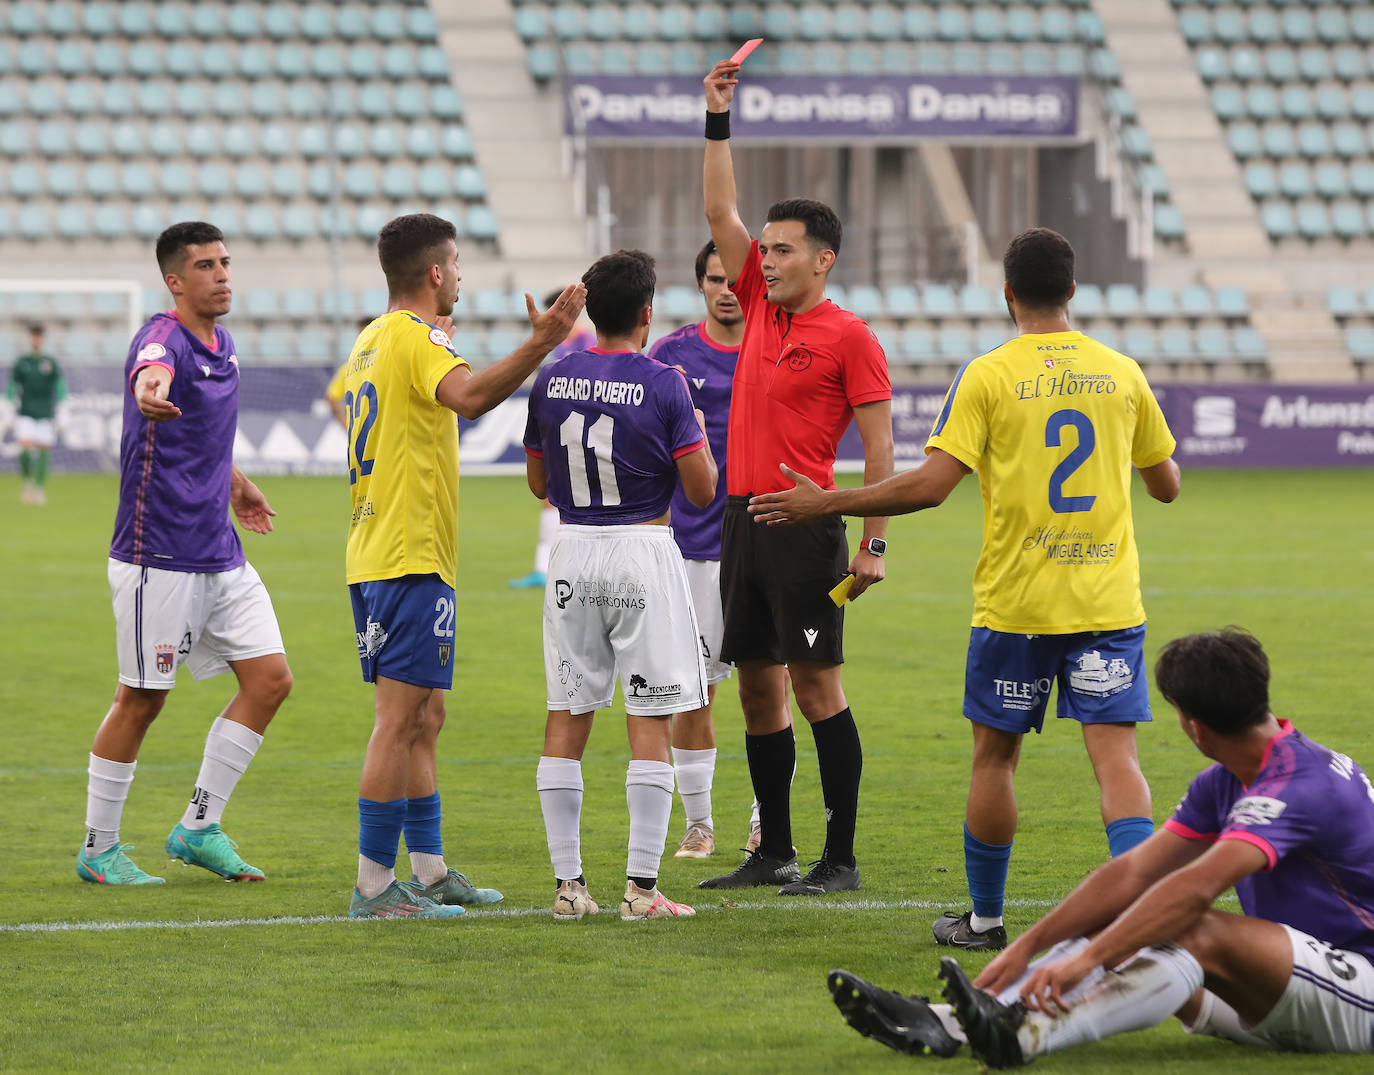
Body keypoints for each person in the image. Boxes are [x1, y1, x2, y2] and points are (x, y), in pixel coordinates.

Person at [750, 227, 1180, 943]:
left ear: (1006, 293)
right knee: (1116, 757)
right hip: (1106, 603)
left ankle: (984, 919)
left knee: (995, 758)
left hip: (1017, 605)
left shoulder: (988, 374)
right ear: (1073, 290)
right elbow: (1164, 485)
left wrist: (824, 501)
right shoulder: (1121, 372)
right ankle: (1144, 920)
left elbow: (929, 486)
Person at [826, 628, 1374, 1066]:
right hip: (1291, 990)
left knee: (1187, 924)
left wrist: (1086, 959)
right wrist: (1028, 947)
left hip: (1361, 992)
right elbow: (1134, 872)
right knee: (1134, 918)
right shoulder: (1232, 775)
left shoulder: (1299, 786)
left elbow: (1195, 887)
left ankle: (1022, 1039)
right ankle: (951, 1021)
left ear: (1194, 726)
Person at [345, 212, 586, 919]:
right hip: (407, 553)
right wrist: (540, 343)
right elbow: (471, 397)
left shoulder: (370, 339)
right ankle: (372, 886)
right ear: (434, 273)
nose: (461, 277)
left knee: (426, 713)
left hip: (382, 550)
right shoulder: (416, 337)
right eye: (456, 265)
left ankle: (429, 867)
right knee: (398, 718)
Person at [697, 59, 895, 897]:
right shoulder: (764, 307)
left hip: (808, 527)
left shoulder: (851, 336)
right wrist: (716, 118)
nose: (764, 261)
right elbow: (718, 209)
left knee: (817, 689)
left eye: (782, 251)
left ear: (825, 260)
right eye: (764, 248)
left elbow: (882, 449)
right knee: (755, 688)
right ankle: (772, 849)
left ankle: (838, 859)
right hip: (743, 522)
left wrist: (875, 543)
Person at [77, 221, 293, 886]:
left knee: (270, 680)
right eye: (204, 265)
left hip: (219, 552)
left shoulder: (222, 342)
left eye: (225, 261)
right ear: (175, 280)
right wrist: (149, 391)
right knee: (142, 698)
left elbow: (207, 437)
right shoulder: (161, 337)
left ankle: (198, 826)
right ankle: (98, 847)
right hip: (158, 554)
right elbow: (152, 372)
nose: (222, 274)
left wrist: (238, 484)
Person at [527, 249, 718, 921]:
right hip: (643, 548)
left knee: (567, 712)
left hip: (574, 549)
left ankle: (568, 887)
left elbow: (538, 484)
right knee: (650, 717)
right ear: (646, 314)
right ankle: (640, 889)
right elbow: (700, 490)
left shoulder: (552, 378)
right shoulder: (665, 382)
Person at [646, 240, 747, 859]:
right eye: (715, 279)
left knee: (772, 687)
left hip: (761, 542)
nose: (727, 289)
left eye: (735, 279)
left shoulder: (778, 349)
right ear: (701, 286)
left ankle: (767, 822)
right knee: (695, 690)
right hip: (688, 550)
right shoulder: (672, 357)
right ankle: (701, 825)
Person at [509, 291, 597, 590]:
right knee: (551, 500)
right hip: (565, 431)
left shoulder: (585, 343)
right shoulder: (566, 344)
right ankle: (544, 567)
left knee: (564, 500)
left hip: (583, 433)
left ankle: (554, 568)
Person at [8, 323, 66, 505]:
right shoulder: (22, 362)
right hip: (26, 410)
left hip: (45, 411)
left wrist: (63, 405)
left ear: (43, 339)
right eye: (34, 336)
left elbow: (59, 384)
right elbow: (13, 384)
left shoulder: (49, 362)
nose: (36, 339)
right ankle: (27, 482)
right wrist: (8, 405)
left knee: (43, 449)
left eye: (39, 336)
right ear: (30, 338)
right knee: (24, 449)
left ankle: (39, 488)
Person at [324, 318, 375, 429]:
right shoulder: (348, 367)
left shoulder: (349, 367)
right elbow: (331, 399)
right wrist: (347, 426)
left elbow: (331, 398)